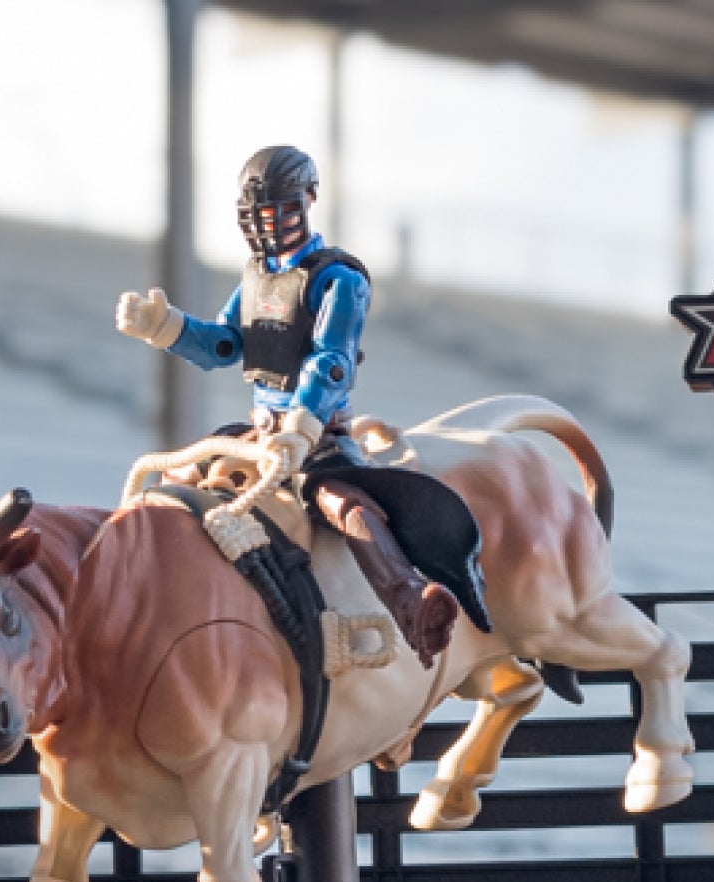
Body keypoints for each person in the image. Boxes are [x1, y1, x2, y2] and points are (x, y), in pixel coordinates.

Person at [115, 145, 479, 666]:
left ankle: (410, 599)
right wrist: (168, 328)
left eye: (280, 210)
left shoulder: (339, 279)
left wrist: (303, 427)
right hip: (260, 433)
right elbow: (225, 344)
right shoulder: (256, 277)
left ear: (306, 203)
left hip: (315, 434)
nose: (269, 224)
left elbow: (332, 361)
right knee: (186, 483)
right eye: (259, 214)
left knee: (340, 503)